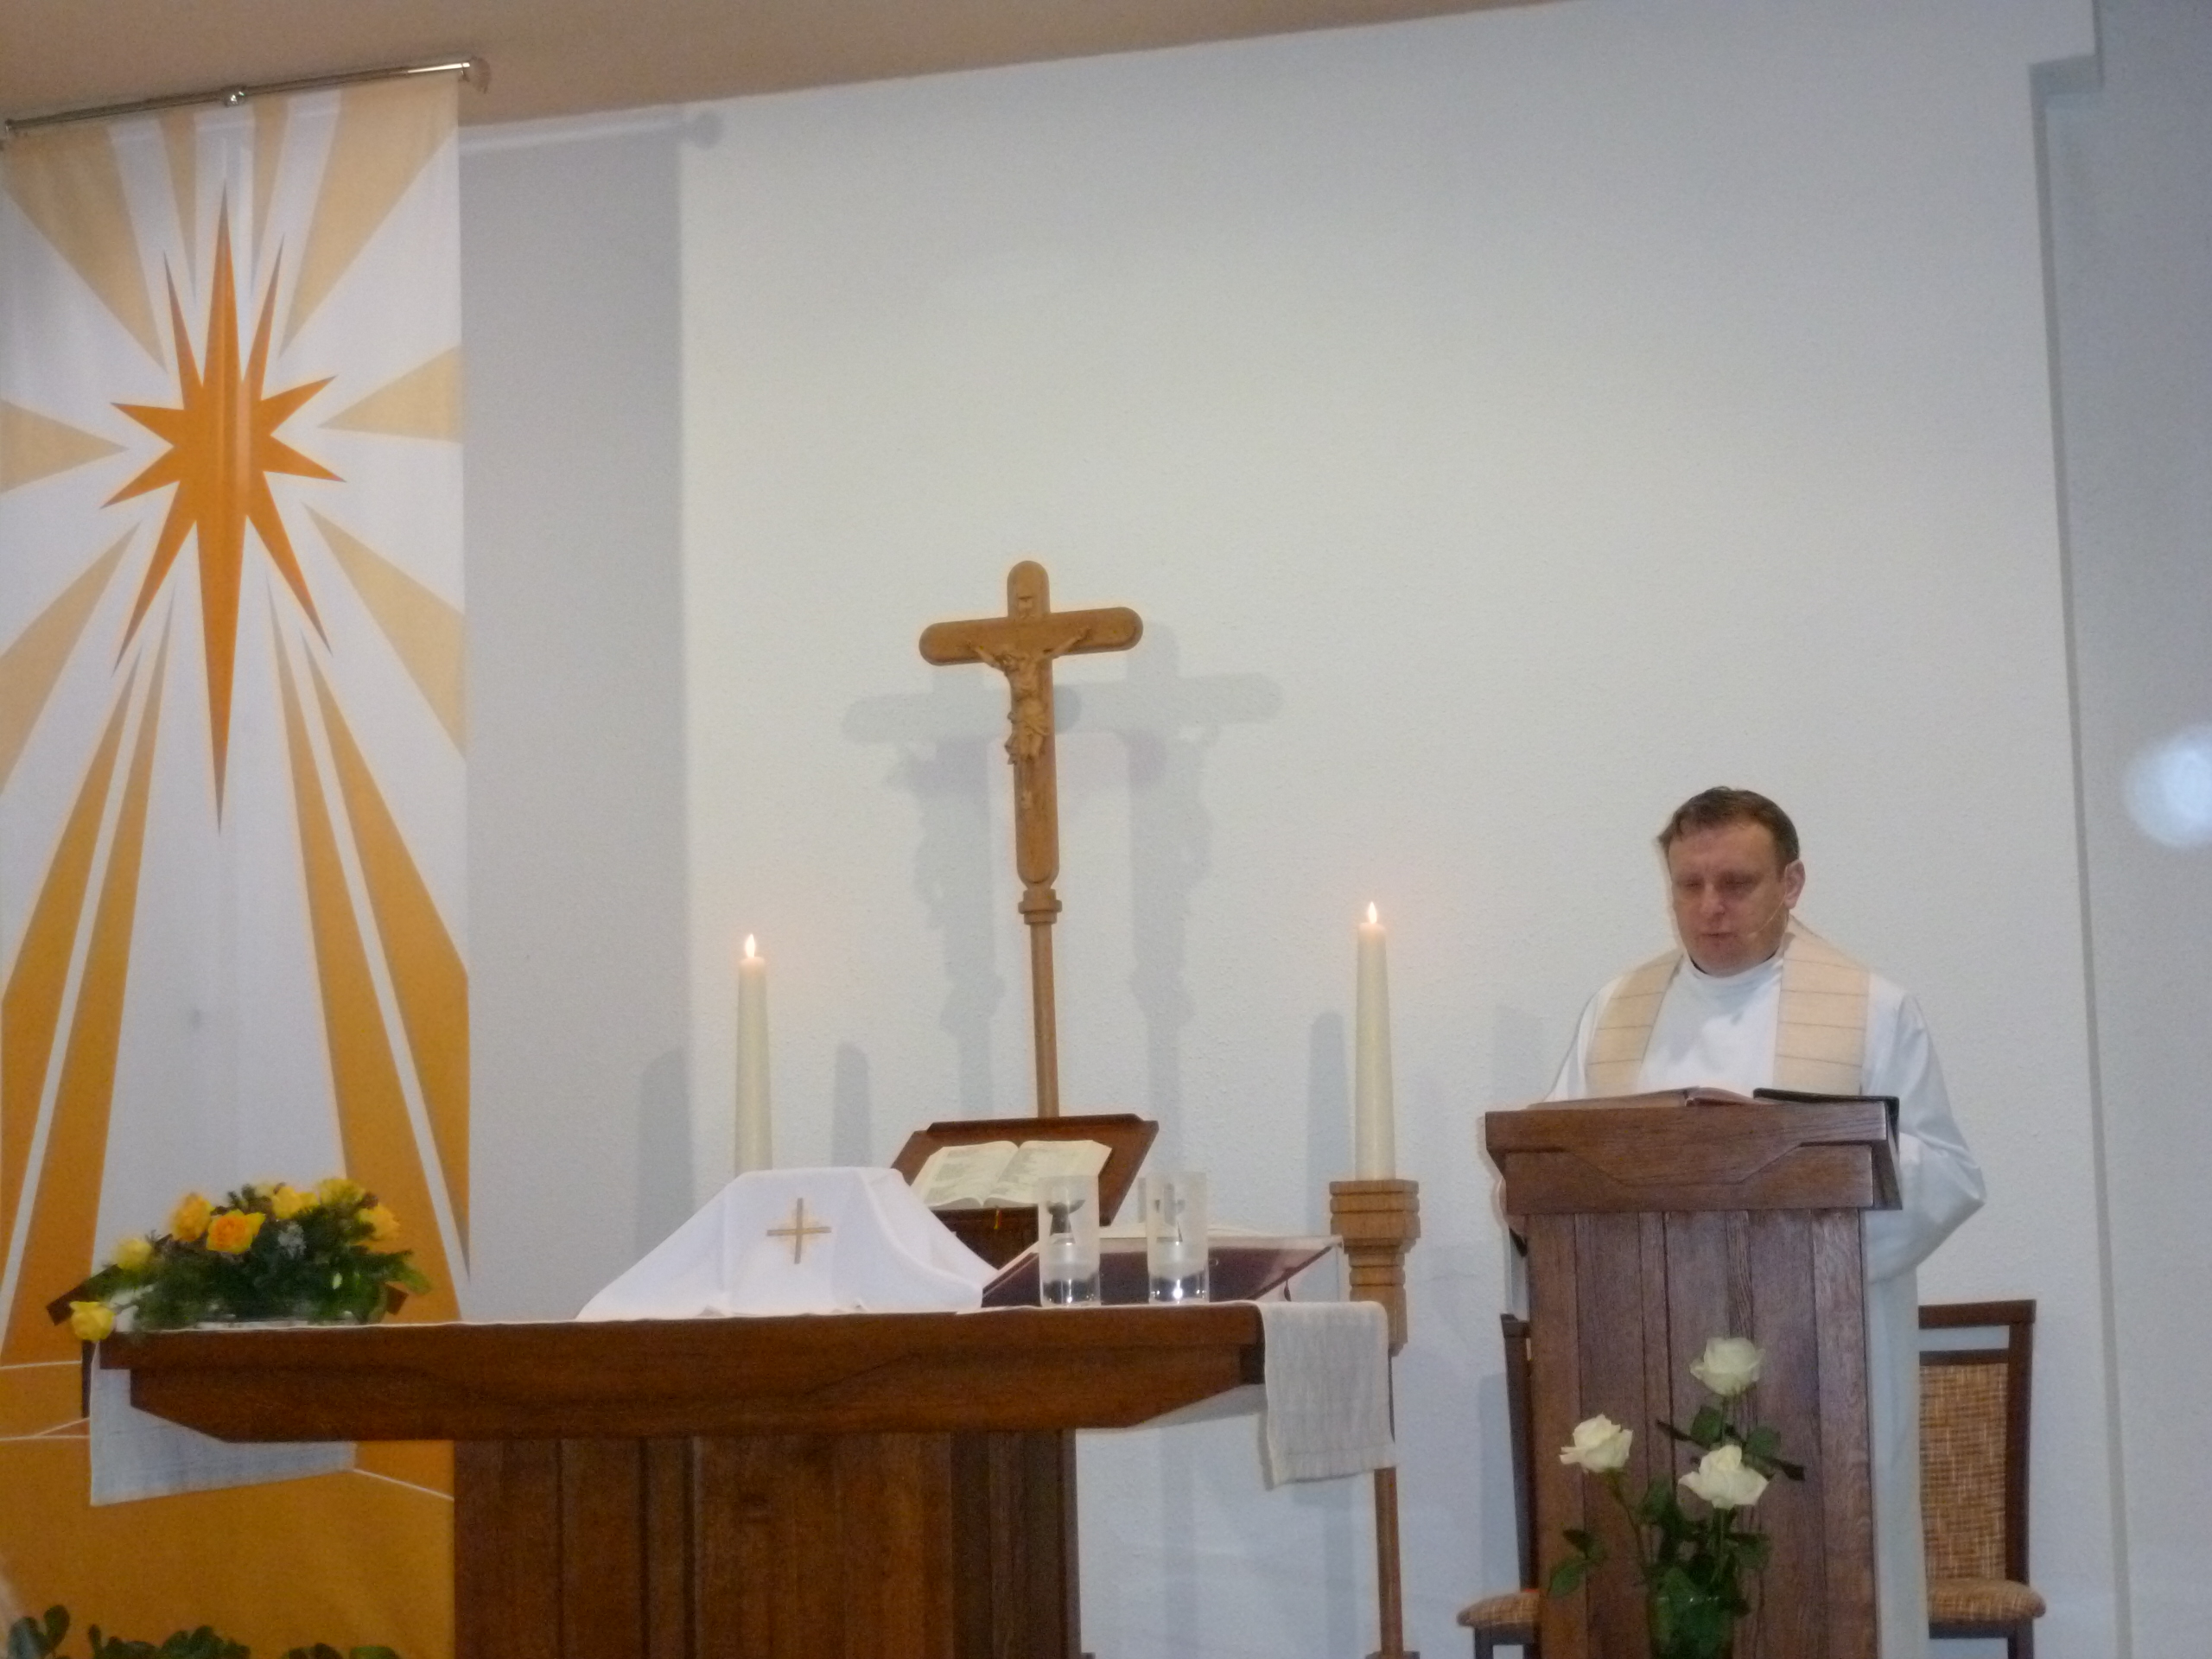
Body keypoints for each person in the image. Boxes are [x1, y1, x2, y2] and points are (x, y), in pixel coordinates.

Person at [1546, 786, 1984, 1659]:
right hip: (1646, 1345)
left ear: (1791, 883)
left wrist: (1787, 1171)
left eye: (1736, 883)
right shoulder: (1615, 1012)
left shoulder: (1871, 1009)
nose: (1709, 908)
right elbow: (1550, 1167)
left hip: (1820, 1348)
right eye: (1688, 884)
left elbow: (1948, 1173)